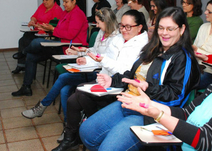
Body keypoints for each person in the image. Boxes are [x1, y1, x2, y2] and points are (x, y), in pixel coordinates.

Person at [79, 7, 201, 151]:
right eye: (161, 28)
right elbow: (131, 75)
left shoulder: (183, 57)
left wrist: (147, 87)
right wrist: (113, 81)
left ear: (181, 29)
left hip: (150, 111)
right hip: (130, 101)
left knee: (108, 148)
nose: (164, 33)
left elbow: (176, 96)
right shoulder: (153, 48)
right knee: (86, 132)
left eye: (170, 29)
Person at [51, 10, 149, 151]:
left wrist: (104, 61)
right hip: (104, 80)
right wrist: (90, 60)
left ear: (139, 27)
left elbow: (125, 72)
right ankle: (71, 138)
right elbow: (103, 59)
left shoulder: (143, 45)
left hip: (121, 86)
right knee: (73, 99)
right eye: (122, 26)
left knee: (80, 95)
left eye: (128, 27)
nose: (123, 30)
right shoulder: (118, 38)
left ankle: (86, 131)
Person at [20, 8, 119, 123]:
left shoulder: (116, 39)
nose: (96, 25)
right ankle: (69, 125)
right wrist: (80, 52)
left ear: (107, 21)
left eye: (98, 23)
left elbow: (104, 59)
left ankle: (42, 107)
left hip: (100, 74)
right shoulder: (102, 32)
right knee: (65, 90)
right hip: (91, 67)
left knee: (63, 78)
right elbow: (94, 50)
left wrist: (86, 59)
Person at [11, 0, 88, 96]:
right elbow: (59, 30)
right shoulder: (66, 12)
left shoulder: (77, 14)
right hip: (61, 43)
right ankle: (26, 87)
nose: (64, 4)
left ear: (74, 1)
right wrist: (48, 29)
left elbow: (70, 34)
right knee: (31, 56)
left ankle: (23, 52)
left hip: (71, 47)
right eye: (63, 2)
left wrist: (52, 29)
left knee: (36, 42)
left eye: (66, 2)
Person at [11, 0, 64, 74]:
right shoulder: (42, 6)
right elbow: (34, 16)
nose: (44, 2)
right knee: (23, 40)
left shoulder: (57, 10)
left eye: (46, 0)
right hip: (37, 31)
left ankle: (24, 55)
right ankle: (21, 65)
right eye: (43, 0)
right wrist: (32, 21)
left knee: (28, 41)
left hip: (47, 35)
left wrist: (41, 26)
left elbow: (52, 27)